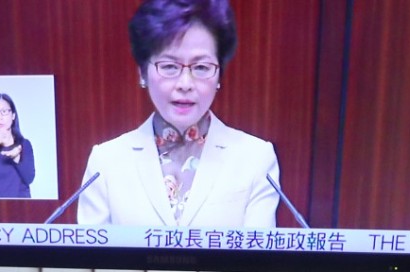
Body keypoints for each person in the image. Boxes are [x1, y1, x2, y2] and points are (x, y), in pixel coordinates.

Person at [77, 0, 280, 229]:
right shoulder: (106, 162)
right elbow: (93, 261)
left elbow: (258, 262)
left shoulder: (255, 158)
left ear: (219, 76)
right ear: (143, 73)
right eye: (169, 66)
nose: (185, 84)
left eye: (201, 67)